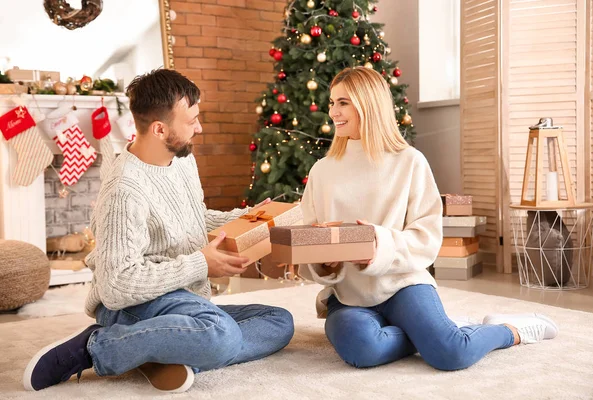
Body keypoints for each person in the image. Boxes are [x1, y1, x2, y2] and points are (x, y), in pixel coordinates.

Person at [24, 69, 294, 392]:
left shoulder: (182, 160)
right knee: (222, 335)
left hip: (178, 299)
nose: (200, 127)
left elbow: (193, 219)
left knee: (280, 322)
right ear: (159, 129)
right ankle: (97, 346)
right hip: (128, 307)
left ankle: (160, 351)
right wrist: (201, 264)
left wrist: (248, 217)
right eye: (191, 120)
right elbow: (115, 286)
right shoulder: (124, 190)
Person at [299, 67, 557, 371]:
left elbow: (427, 240)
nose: (333, 112)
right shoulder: (322, 171)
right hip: (347, 294)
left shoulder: (409, 162)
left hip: (403, 284)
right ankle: (435, 332)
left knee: (451, 354)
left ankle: (509, 330)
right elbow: (309, 240)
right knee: (362, 349)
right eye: (332, 103)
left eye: (343, 102)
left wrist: (377, 245)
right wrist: (321, 264)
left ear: (368, 104)